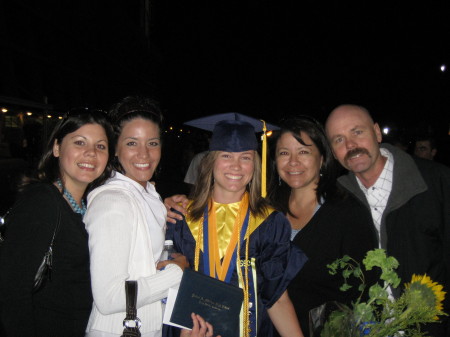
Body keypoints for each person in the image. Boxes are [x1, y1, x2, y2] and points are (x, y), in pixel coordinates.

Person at [168, 119, 308, 337]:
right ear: (211, 162)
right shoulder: (181, 219)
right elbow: (169, 291)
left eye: (245, 157)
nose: (236, 166)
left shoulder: (269, 224)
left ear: (255, 164)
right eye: (226, 156)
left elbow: (277, 299)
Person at [325, 104, 450, 336]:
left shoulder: (436, 182)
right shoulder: (338, 201)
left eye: (357, 132)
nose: (351, 145)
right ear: (333, 152)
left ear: (377, 132)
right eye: (339, 139)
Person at [0, 107, 114, 336]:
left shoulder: (88, 206)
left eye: (100, 146)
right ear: (56, 148)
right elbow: (10, 292)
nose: (91, 153)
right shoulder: (42, 201)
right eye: (80, 143)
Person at [84, 96, 190, 337]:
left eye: (152, 143)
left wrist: (163, 208)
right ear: (115, 148)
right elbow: (109, 297)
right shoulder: (113, 202)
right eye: (132, 143)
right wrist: (177, 273)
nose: (145, 154)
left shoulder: (146, 194)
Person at [266, 116, 378, 336]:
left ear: (322, 158)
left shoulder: (347, 214)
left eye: (304, 152)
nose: (293, 162)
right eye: (284, 153)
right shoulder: (267, 209)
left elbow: (365, 295)